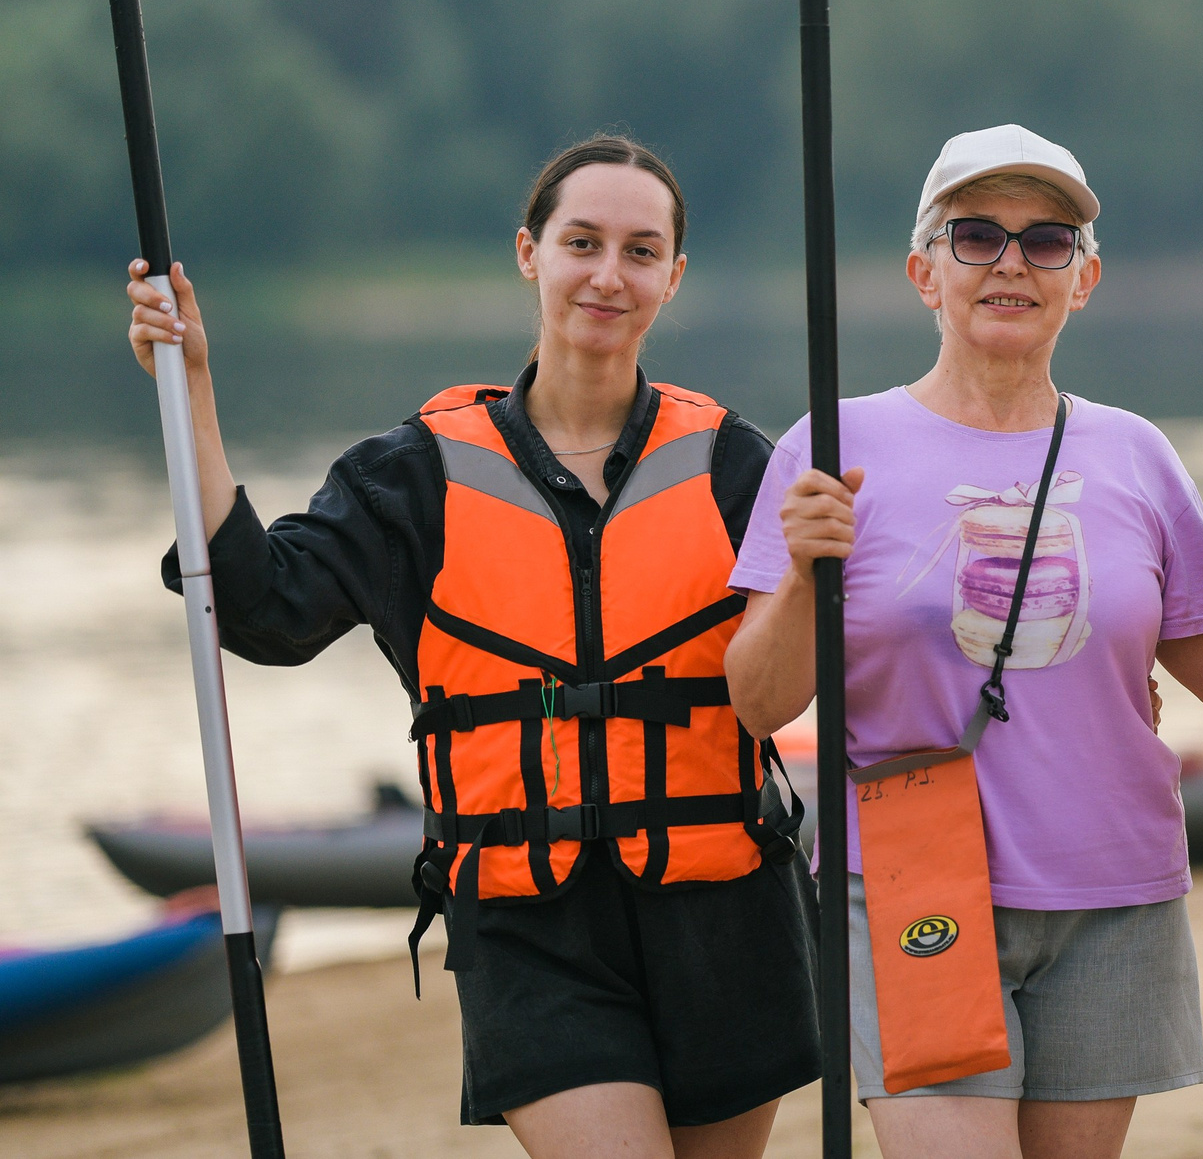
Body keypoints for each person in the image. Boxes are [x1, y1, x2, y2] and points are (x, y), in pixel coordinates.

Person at [124, 134, 820, 1159]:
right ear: (528, 252)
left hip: (723, 920)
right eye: (581, 241)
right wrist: (191, 397)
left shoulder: (735, 465)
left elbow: (799, 679)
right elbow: (260, 607)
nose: (607, 274)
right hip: (530, 932)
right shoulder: (414, 476)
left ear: (673, 277)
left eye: (639, 250)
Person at [725, 123, 1203, 1159]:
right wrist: (803, 574)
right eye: (976, 236)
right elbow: (759, 704)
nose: (1013, 264)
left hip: (1111, 883)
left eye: (1047, 241)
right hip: (911, 879)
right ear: (923, 273)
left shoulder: (1137, 454)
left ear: (1087, 276)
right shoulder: (833, 445)